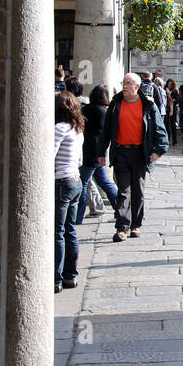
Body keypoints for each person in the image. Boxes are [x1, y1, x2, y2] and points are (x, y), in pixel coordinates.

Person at [97, 72, 168, 240]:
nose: (125, 86)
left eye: (129, 83)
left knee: (138, 190)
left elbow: (160, 130)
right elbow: (106, 131)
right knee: (123, 190)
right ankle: (122, 227)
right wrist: (101, 153)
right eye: (124, 83)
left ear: (137, 87)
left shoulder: (148, 105)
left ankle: (136, 225)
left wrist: (158, 151)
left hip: (140, 153)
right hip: (121, 151)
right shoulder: (116, 104)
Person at [54, 90, 85, 292]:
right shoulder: (77, 129)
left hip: (61, 182)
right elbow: (80, 159)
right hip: (75, 180)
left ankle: (55, 278)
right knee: (70, 229)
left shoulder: (59, 129)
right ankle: (70, 276)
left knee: (58, 231)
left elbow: (48, 154)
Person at [76, 85, 119, 224]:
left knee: (83, 183)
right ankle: (120, 209)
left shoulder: (87, 109)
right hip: (99, 150)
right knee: (104, 181)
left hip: (88, 150)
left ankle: (78, 216)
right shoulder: (105, 111)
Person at [165, 79, 180, 146]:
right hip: (166, 109)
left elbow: (177, 100)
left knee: (173, 125)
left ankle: (174, 140)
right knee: (166, 124)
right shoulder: (164, 90)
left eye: (171, 85)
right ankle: (167, 139)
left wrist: (172, 99)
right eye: (168, 84)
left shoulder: (175, 91)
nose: (169, 86)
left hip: (173, 109)